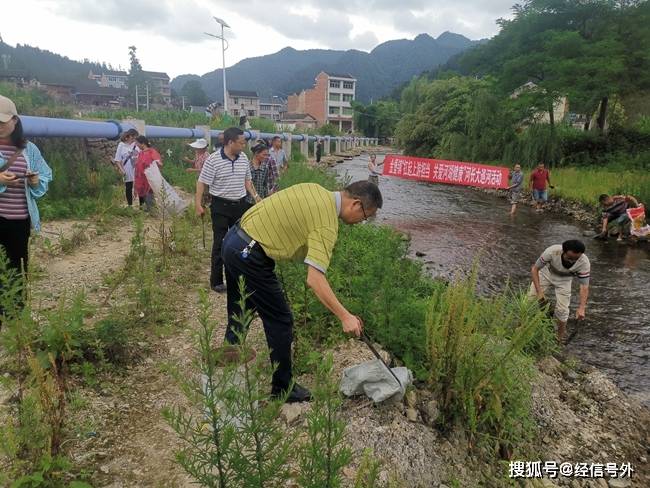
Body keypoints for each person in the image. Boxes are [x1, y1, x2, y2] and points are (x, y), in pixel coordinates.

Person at [221, 181, 383, 402]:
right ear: (356, 204)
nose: (361, 221)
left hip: (233, 240)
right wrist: (345, 316)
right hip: (250, 253)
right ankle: (283, 389)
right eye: (365, 216)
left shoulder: (316, 189)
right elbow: (315, 279)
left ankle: (224, 370)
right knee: (281, 319)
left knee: (242, 308)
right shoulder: (327, 222)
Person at [0, 94, 53, 319]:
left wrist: (35, 180)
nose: (0, 127)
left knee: (19, 266)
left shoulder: (29, 149)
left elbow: (45, 174)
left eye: (3, 122)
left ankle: (17, 314)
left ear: (15, 120)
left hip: (21, 218)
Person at [195, 127, 260, 293]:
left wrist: (256, 196)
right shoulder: (214, 160)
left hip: (239, 205)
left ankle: (239, 278)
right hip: (220, 207)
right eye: (241, 142)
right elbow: (202, 182)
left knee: (243, 242)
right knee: (220, 244)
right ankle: (216, 281)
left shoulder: (243, 158)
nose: (244, 145)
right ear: (230, 142)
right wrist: (198, 204)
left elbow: (247, 180)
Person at [529, 240, 590, 343]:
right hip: (546, 274)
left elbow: (584, 286)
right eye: (570, 258)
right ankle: (521, 328)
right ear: (563, 252)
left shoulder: (584, 262)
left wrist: (582, 308)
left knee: (562, 311)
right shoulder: (551, 251)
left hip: (565, 280)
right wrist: (539, 293)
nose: (572, 261)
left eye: (576, 259)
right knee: (530, 301)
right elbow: (535, 269)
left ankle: (558, 339)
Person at [134, 136, 162, 211]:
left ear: (142, 143)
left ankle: (152, 211)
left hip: (148, 179)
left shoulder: (151, 152)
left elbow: (158, 162)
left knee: (149, 194)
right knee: (142, 195)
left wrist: (157, 163)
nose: (136, 145)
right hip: (140, 179)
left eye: (137, 143)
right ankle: (145, 209)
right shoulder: (140, 153)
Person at [113, 129, 139, 207]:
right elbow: (117, 160)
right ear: (129, 136)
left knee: (139, 186)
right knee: (128, 187)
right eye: (133, 137)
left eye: (135, 138)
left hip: (137, 170)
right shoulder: (121, 145)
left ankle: (142, 205)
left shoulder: (137, 145)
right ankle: (130, 205)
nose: (134, 140)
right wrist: (122, 170)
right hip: (127, 171)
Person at [246, 142, 278, 206]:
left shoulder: (265, 168)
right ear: (256, 153)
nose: (266, 157)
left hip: (260, 201)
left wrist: (269, 193)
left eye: (267, 155)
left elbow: (265, 185)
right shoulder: (247, 167)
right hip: (247, 201)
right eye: (264, 155)